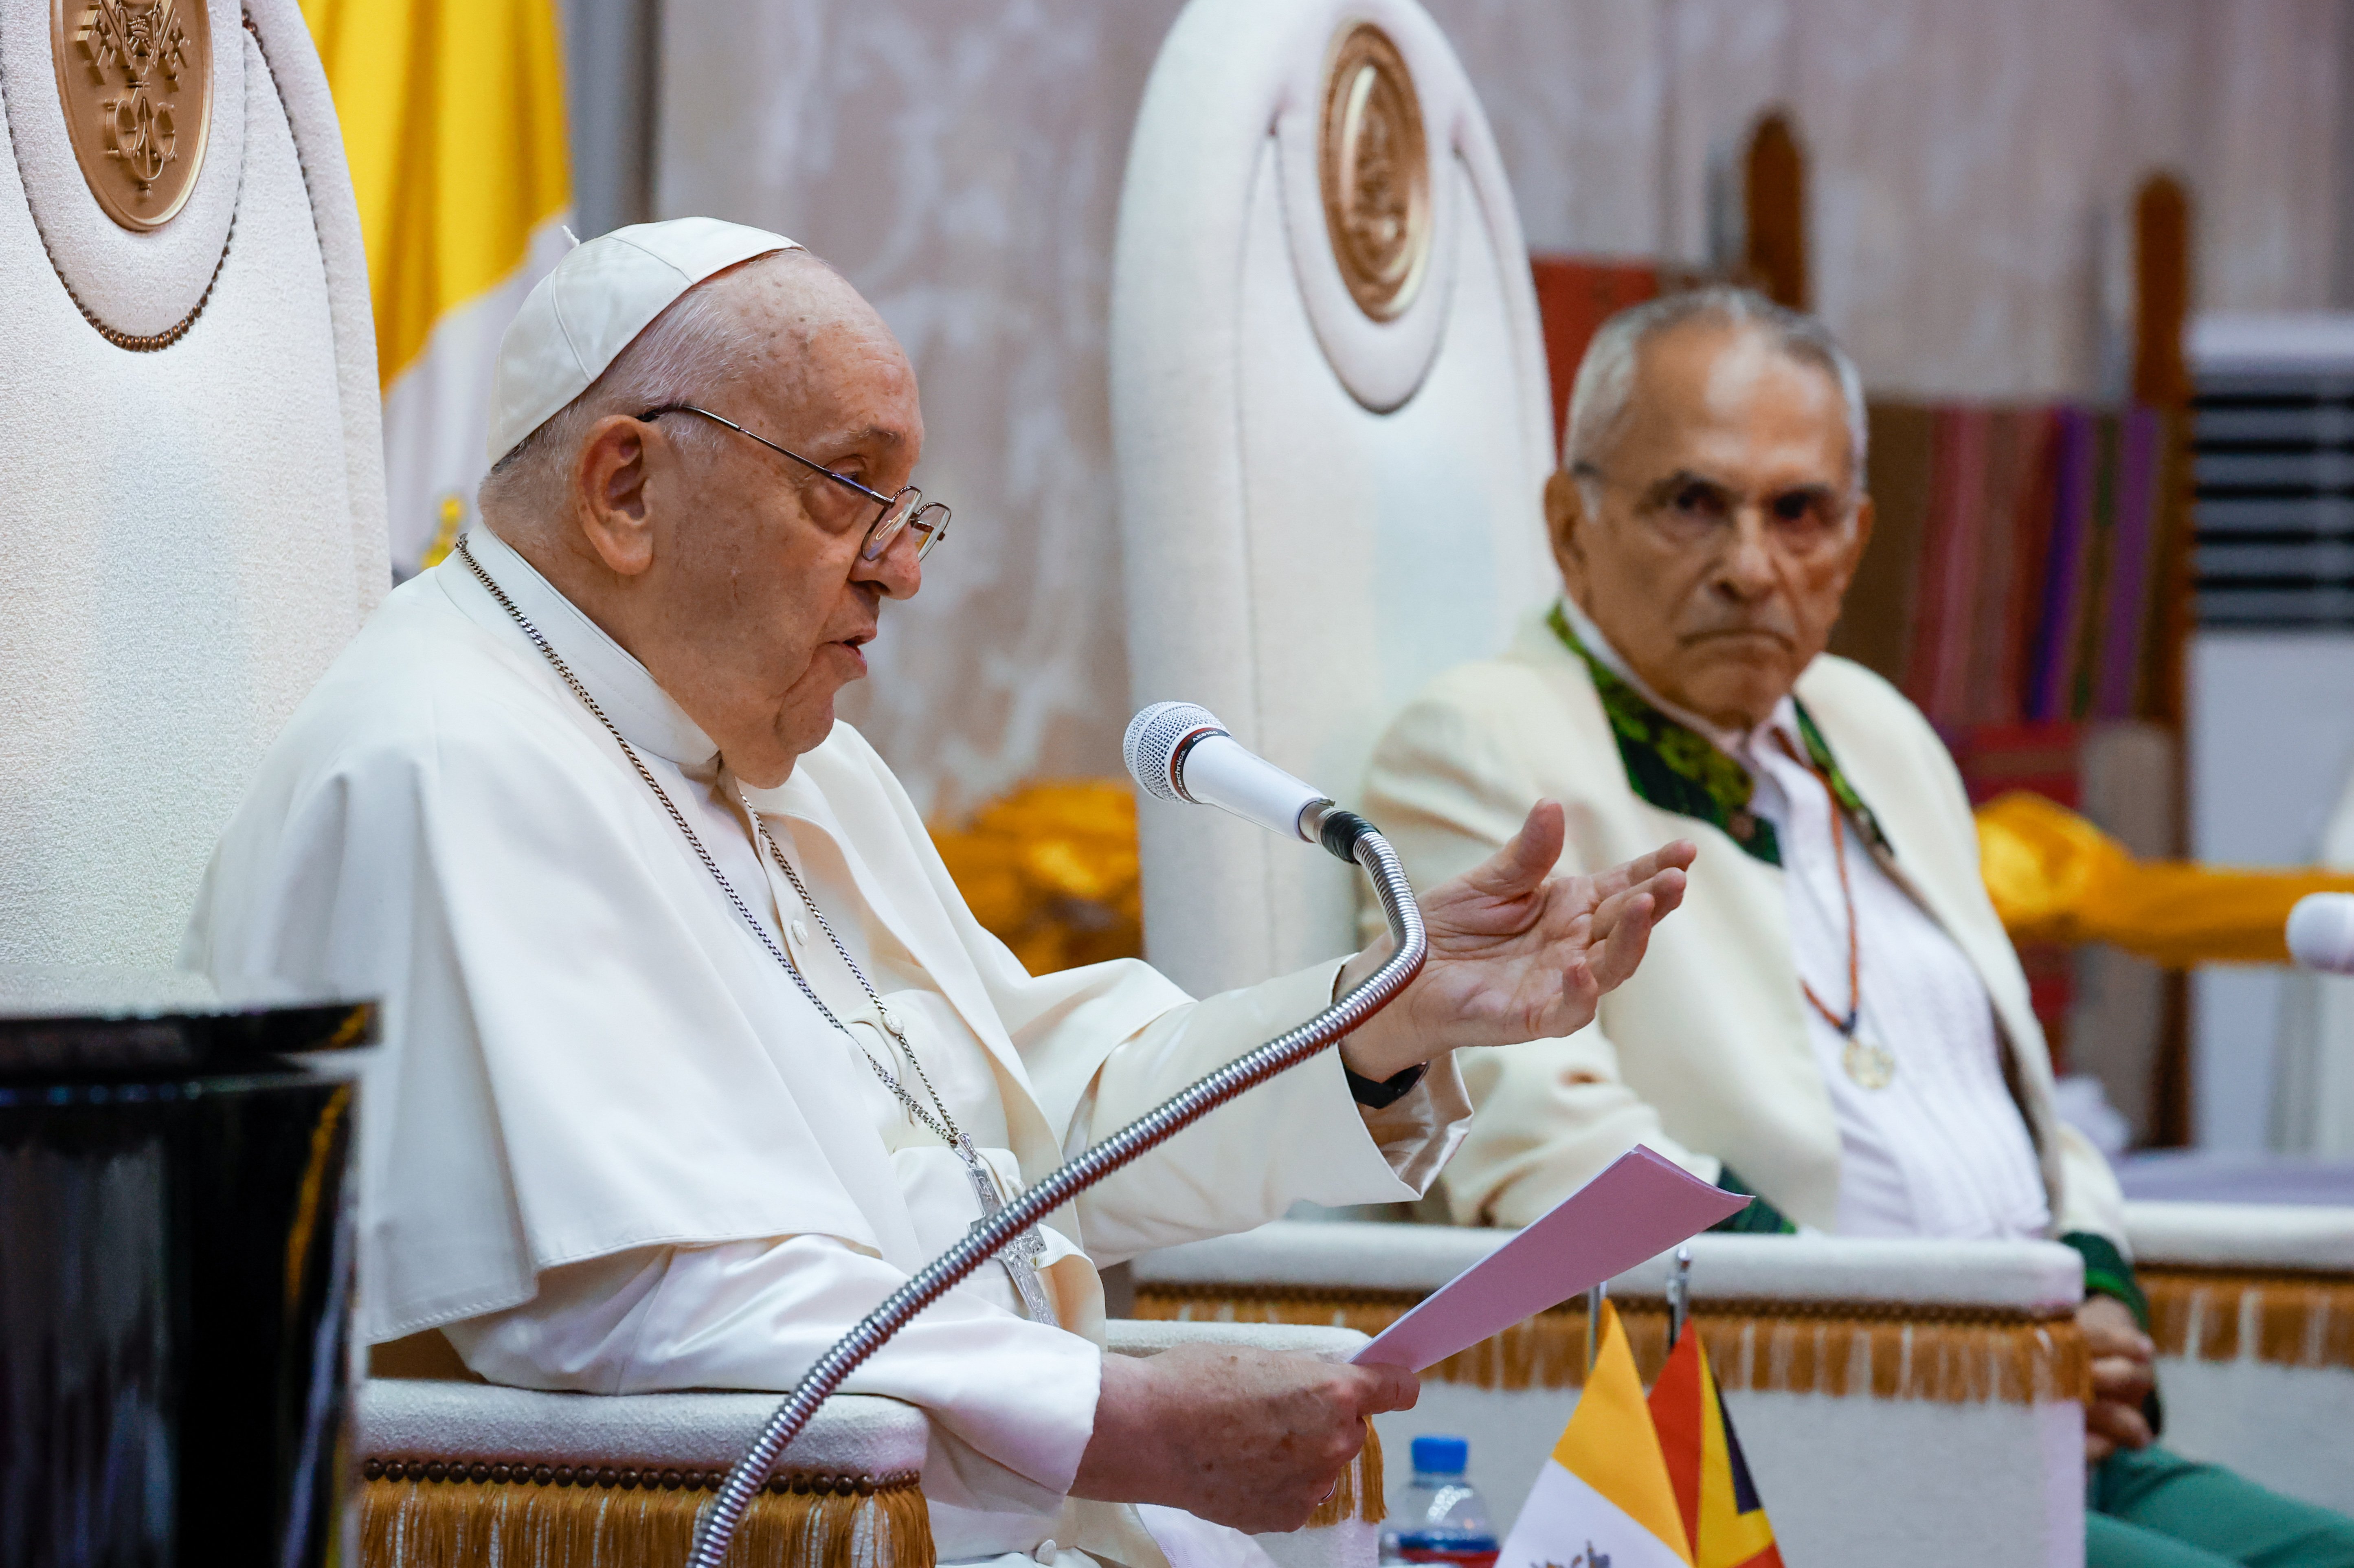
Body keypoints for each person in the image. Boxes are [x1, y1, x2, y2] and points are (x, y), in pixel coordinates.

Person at [184, 219, 1695, 1568]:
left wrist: (1382, 1019)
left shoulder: (791, 764)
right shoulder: (436, 764)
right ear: (625, 487)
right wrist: (1127, 1421)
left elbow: (1035, 1127)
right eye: (852, 492)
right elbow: (629, 1314)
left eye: (911, 507)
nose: (902, 572)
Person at [1360, 286, 2354, 1568]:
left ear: (1856, 535)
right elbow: (1548, 1157)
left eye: (1798, 513)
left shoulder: (1872, 725)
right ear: (1571, 524)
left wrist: (2092, 1303)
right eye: (1688, 503)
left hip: (2051, 1412)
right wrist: (1948, 1337)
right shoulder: (1480, 747)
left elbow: (2025, 1107)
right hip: (1802, 1438)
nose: (1749, 564)